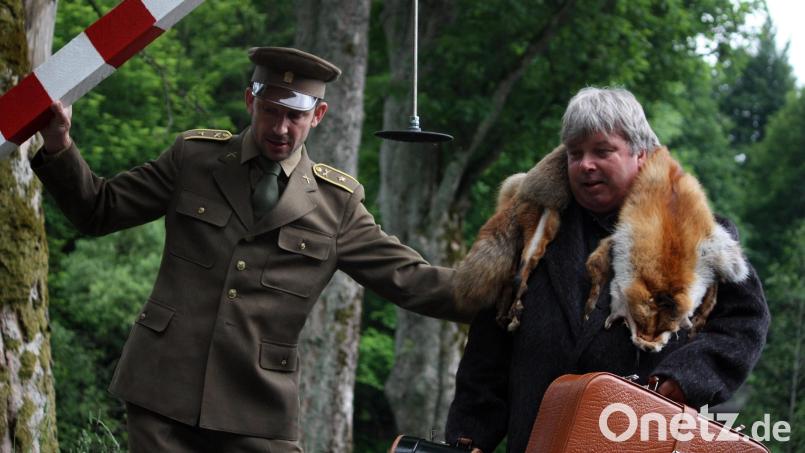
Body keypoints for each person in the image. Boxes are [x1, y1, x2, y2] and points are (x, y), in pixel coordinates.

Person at [32, 47, 479, 453]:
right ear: (251, 101)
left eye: (294, 116)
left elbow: (411, 280)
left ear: (318, 115)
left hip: (258, 407)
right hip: (162, 388)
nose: (280, 128)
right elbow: (99, 209)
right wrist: (58, 143)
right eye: (269, 111)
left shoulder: (336, 204)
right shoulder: (195, 160)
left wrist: (510, 295)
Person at [444, 87, 770, 453]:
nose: (585, 165)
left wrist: (682, 381)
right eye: (575, 153)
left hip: (637, 440)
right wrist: (468, 436)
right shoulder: (532, 236)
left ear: (641, 155)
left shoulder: (695, 235)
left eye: (602, 151)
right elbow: (488, 351)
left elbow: (744, 322)